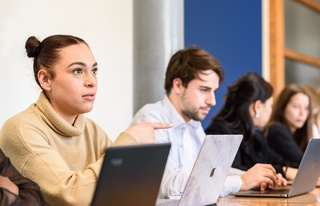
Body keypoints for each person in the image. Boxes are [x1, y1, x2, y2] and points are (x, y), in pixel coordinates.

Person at [0, 35, 172, 205]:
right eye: (78, 71)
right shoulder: (21, 129)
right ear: (45, 79)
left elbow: (126, 189)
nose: (91, 81)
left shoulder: (91, 129)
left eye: (94, 71)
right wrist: (129, 141)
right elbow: (72, 197)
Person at [130, 45, 286, 198]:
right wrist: (241, 181)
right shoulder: (150, 118)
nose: (212, 101)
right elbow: (169, 185)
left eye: (214, 91)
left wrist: (255, 178)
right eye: (204, 90)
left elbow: (213, 171)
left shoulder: (193, 125)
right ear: (178, 85)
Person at [205, 72, 298, 180]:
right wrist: (283, 171)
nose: (270, 111)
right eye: (270, 105)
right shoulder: (219, 133)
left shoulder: (256, 137)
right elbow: (232, 173)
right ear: (257, 106)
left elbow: (277, 161)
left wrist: (285, 170)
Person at [264, 84, 313, 170]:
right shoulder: (277, 129)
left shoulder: (298, 134)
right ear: (283, 107)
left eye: (306, 108)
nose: (302, 113)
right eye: (296, 107)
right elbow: (306, 164)